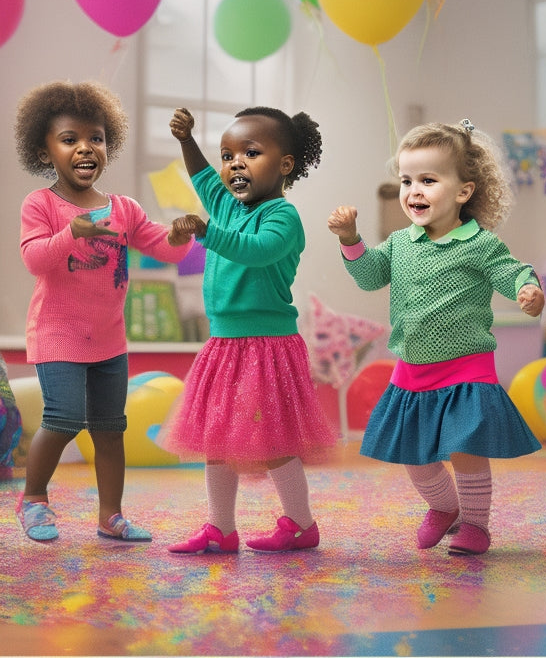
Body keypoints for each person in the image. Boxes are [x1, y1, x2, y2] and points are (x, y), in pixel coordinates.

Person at [328, 119, 545, 556]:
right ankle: (445, 508)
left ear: (464, 191)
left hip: (466, 367)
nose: (414, 191)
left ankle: (477, 526)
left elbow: (511, 271)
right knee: (415, 454)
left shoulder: (479, 244)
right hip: (412, 370)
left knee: (465, 447)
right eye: (407, 180)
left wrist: (527, 288)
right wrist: (351, 240)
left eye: (428, 180)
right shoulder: (399, 243)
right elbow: (370, 276)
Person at [14, 80, 196, 542]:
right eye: (69, 140)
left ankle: (110, 516)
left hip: (109, 339)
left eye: (94, 138)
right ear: (45, 150)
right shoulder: (41, 204)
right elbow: (35, 259)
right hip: (57, 334)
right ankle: (33, 499)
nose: (84, 148)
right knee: (63, 418)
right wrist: (70, 233)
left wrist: (179, 234)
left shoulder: (124, 208)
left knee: (111, 430)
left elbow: (166, 249)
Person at [163, 106, 336, 555]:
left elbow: (257, 251)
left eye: (250, 152)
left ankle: (300, 523)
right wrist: (187, 140)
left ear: (284, 165)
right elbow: (203, 178)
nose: (234, 162)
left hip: (267, 345)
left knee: (272, 438)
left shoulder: (283, 217)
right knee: (216, 437)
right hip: (223, 342)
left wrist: (207, 233)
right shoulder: (223, 202)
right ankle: (220, 528)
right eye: (228, 154)